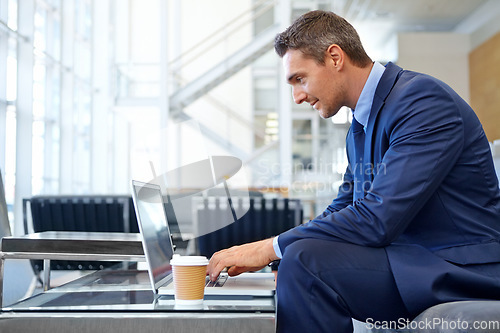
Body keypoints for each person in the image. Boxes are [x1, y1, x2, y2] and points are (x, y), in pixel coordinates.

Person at [207, 10, 500, 333]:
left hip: (460, 268)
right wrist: (276, 253)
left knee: (307, 262)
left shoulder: (422, 101)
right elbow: (344, 208)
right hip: (413, 261)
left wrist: (268, 249)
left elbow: (377, 219)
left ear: (335, 57)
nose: (298, 96)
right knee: (300, 258)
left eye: (300, 79)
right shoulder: (360, 125)